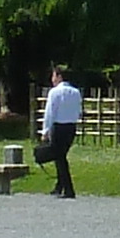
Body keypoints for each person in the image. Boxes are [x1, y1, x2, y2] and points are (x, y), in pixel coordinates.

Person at [38, 64, 84, 197]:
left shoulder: (55, 92)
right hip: (71, 127)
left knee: (60, 158)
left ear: (59, 76)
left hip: (58, 127)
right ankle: (59, 186)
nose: (52, 79)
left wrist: (45, 130)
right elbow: (78, 111)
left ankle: (69, 189)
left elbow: (50, 112)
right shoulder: (76, 92)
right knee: (60, 156)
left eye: (53, 76)